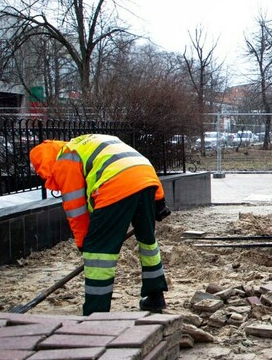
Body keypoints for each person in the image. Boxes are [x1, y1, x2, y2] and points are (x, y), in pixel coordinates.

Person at [29, 134, 171, 315]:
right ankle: (155, 296)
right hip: (146, 180)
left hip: (115, 185)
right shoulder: (87, 144)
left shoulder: (65, 160)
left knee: (98, 254)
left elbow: (77, 211)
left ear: (45, 162)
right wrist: (159, 202)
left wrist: (84, 244)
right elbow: (136, 165)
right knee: (148, 242)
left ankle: (96, 311)